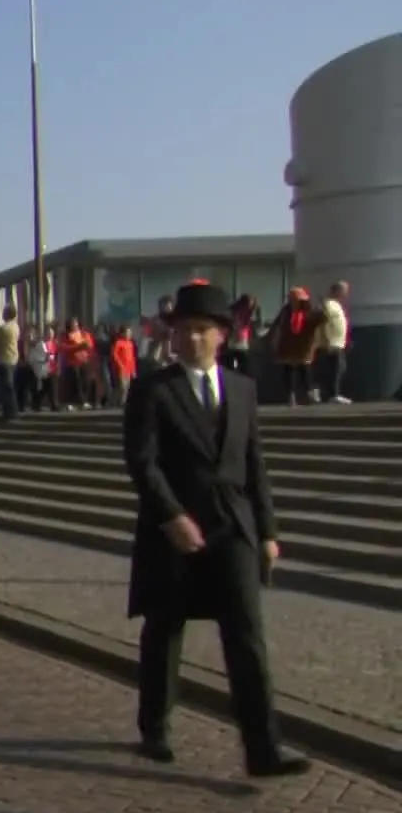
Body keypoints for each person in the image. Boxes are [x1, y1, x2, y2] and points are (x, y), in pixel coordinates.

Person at [121, 282, 308, 778]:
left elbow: (255, 464)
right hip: (175, 528)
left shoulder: (243, 390)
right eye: (183, 331)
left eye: (202, 331)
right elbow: (143, 463)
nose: (192, 340)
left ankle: (263, 749)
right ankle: (155, 729)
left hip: (233, 528)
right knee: (165, 628)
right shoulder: (153, 389)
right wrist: (170, 516)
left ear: (223, 336)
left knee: (247, 636)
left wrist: (267, 530)